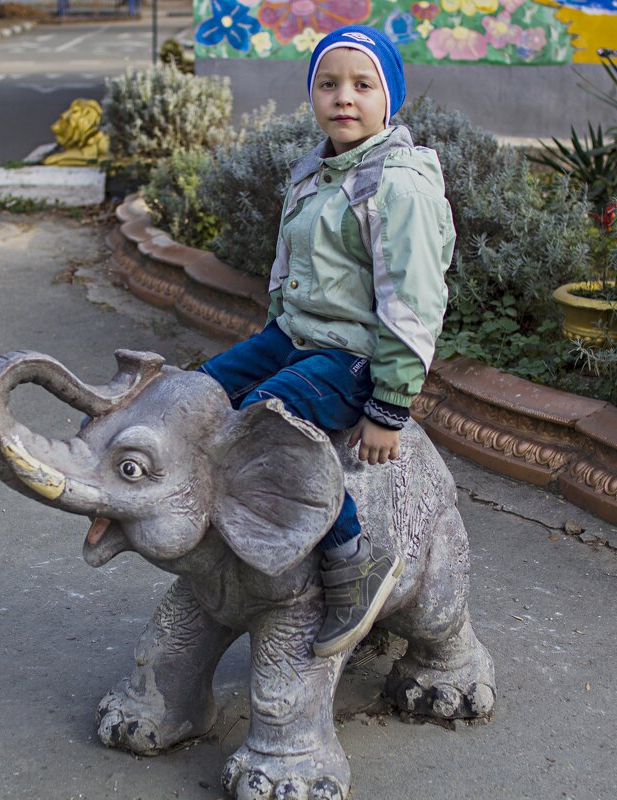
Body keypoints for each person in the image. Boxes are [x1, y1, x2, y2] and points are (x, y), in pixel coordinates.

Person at [197, 25, 455, 658]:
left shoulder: (398, 184)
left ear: (389, 98)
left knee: (269, 421)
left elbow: (413, 305)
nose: (344, 97)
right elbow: (289, 266)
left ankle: (353, 559)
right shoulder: (313, 170)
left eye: (363, 85)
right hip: (296, 336)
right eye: (328, 83)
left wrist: (389, 409)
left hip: (356, 355)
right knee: (196, 393)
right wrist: (269, 340)